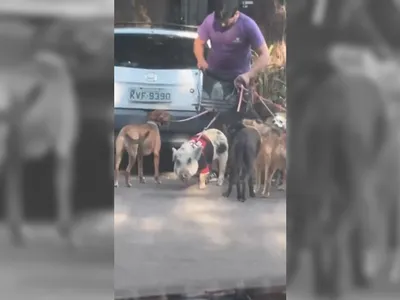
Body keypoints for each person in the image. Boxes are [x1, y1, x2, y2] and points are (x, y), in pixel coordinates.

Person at [194, 0, 270, 100]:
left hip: (238, 80)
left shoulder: (248, 24)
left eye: (225, 22)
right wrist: (201, 60)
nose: (222, 25)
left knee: (236, 113)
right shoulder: (210, 21)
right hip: (212, 76)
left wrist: (249, 75)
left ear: (236, 14)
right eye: (219, 22)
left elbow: (265, 55)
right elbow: (199, 43)